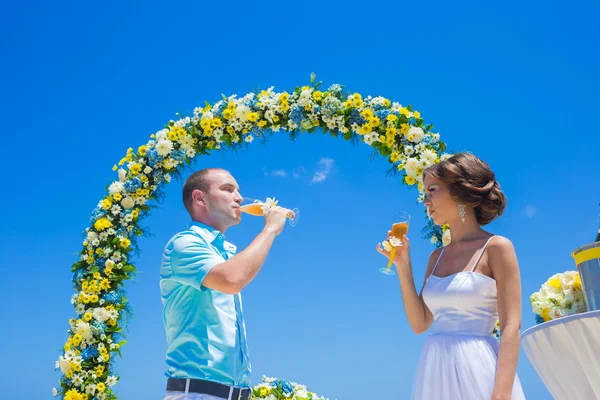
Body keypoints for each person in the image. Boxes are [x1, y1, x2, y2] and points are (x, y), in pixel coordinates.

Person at [377, 152, 526, 400]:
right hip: (435, 370)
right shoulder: (436, 257)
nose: (426, 202)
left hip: (479, 368)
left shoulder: (496, 247)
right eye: (425, 194)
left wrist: (501, 394)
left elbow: (512, 325)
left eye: (432, 190)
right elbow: (420, 323)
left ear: (459, 191)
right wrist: (403, 265)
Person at [160, 168, 290, 400]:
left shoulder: (226, 253)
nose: (239, 198)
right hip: (198, 394)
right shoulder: (184, 244)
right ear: (200, 198)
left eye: (238, 191)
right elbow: (231, 280)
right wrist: (270, 229)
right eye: (228, 189)